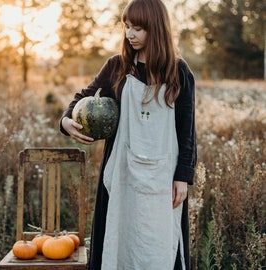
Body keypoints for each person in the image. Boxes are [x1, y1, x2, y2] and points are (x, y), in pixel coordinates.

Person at [59, 0, 197, 269]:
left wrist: (183, 175)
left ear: (155, 29)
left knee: (159, 242)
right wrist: (66, 120)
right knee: (118, 238)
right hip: (123, 171)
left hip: (164, 177)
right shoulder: (117, 67)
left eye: (138, 28)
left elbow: (187, 130)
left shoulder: (179, 71)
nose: (129, 34)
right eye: (127, 27)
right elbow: (83, 98)